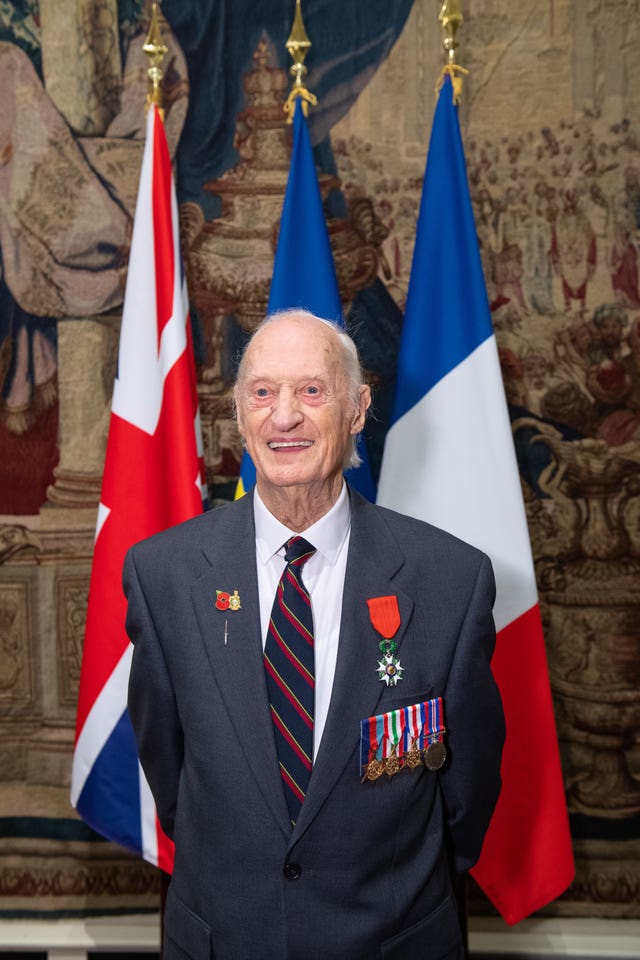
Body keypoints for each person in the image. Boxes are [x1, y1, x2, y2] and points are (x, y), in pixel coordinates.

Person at [124, 309, 505, 960]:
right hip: (224, 939)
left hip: (393, 942)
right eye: (263, 393)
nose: (285, 417)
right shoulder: (165, 574)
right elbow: (171, 768)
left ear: (357, 408)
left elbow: (465, 798)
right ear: (240, 414)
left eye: (311, 390)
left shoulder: (451, 580)